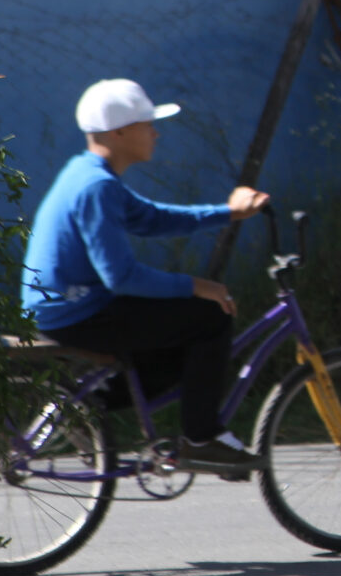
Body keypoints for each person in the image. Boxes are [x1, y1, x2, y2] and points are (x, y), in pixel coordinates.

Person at [22, 80, 269, 474]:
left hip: (69, 306)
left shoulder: (89, 173)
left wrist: (228, 213)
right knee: (210, 317)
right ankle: (202, 439)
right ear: (118, 132)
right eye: (147, 124)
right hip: (76, 312)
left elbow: (152, 218)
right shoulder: (97, 187)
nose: (156, 133)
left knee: (181, 348)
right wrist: (197, 286)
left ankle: (86, 409)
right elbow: (120, 277)